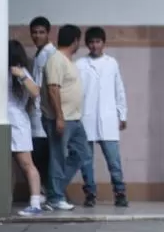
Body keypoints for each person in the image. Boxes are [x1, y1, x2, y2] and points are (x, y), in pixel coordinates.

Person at [76, 27, 129, 208]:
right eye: (91, 42)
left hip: (108, 118)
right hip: (86, 117)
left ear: (104, 43)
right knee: (86, 160)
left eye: (98, 42)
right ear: (87, 44)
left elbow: (119, 89)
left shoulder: (111, 63)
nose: (94, 45)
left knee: (114, 160)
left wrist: (122, 114)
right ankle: (90, 193)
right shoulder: (80, 64)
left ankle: (120, 192)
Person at [40, 24, 88, 211]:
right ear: (75, 41)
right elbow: (53, 89)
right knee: (58, 157)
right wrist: (59, 117)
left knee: (82, 153)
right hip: (61, 119)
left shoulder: (69, 61)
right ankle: (55, 197)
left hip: (74, 118)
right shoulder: (56, 60)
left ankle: (54, 191)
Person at [8, 40, 45, 216]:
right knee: (8, 167)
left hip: (18, 123)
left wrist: (20, 75)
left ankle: (36, 203)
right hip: (5, 123)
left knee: (26, 164)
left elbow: (36, 91)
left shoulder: (21, 72)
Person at [28, 16, 55, 196]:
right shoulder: (38, 55)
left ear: (48, 33)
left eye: (41, 32)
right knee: (40, 157)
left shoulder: (49, 55)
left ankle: (50, 193)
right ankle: (48, 192)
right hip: (37, 115)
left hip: (45, 114)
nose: (37, 36)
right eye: (34, 32)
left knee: (44, 157)